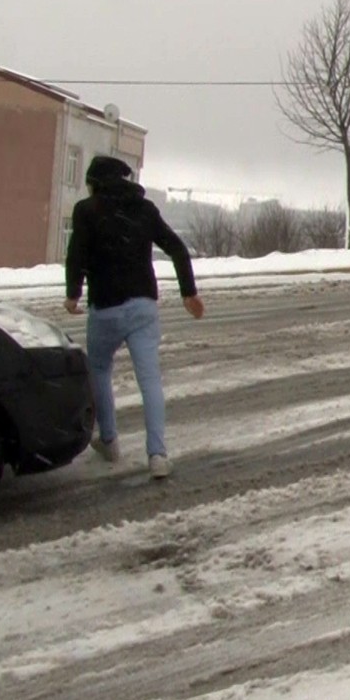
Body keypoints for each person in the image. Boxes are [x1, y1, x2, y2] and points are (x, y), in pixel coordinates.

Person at [64, 155, 204, 479]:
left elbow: (77, 255)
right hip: (143, 306)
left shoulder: (87, 210)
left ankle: (109, 439)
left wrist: (73, 293)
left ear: (95, 182)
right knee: (150, 380)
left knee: (99, 369)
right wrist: (188, 292)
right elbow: (177, 248)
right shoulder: (145, 209)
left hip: (106, 308)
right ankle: (157, 454)